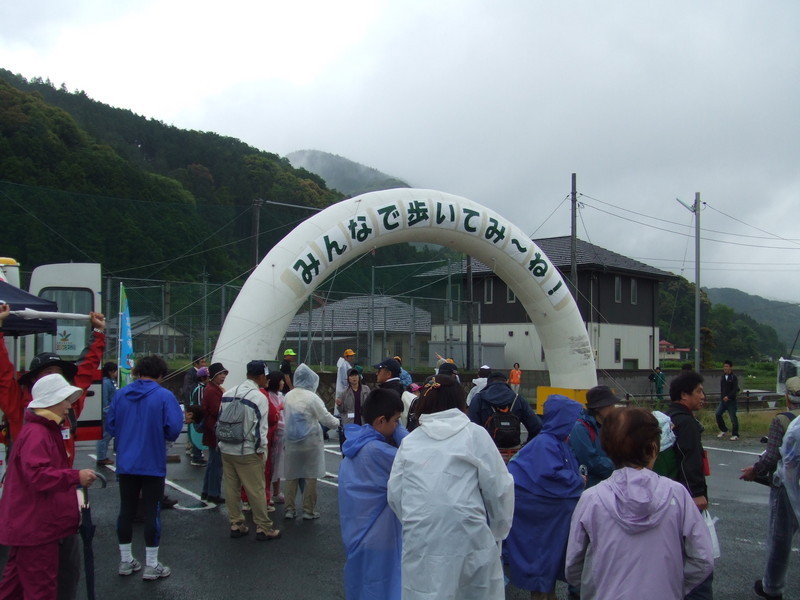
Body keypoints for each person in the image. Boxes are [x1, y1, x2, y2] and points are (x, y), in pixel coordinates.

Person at [565, 407, 715, 600]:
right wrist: (674, 586)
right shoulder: (677, 494)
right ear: (654, 448)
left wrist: (596, 589)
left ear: (607, 448)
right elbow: (703, 557)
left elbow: (573, 565)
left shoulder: (592, 498)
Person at [387, 374, 514, 600]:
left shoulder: (411, 441)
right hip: (469, 535)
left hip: (422, 537)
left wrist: (415, 520)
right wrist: (498, 530)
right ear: (461, 402)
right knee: (474, 591)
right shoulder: (474, 435)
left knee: (424, 592)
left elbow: (395, 493)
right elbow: (500, 488)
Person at [0, 374, 98, 600]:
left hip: (27, 525)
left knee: (13, 588)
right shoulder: (39, 433)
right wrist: (76, 476)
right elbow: (39, 476)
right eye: (65, 400)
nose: (68, 406)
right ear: (52, 402)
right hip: (37, 527)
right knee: (40, 589)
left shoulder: (38, 429)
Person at [106, 355, 183, 580]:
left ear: (138, 371)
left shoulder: (120, 394)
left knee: (126, 511)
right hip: (152, 462)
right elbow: (174, 428)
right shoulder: (164, 395)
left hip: (126, 463)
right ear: (161, 374)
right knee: (152, 512)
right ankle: (151, 564)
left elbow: (110, 424)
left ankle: (125, 560)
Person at [0, 303, 106, 463]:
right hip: (26, 485)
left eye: (59, 372)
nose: (55, 376)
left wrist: (98, 331)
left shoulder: (70, 406)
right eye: (48, 372)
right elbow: (3, 373)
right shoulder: (18, 404)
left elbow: (86, 369)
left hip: (61, 483)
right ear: (34, 379)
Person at [504, 394, 585, 600]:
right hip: (541, 521)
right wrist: (579, 481)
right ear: (562, 419)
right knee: (543, 564)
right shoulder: (547, 443)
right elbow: (550, 476)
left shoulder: (552, 441)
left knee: (545, 566)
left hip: (546, 519)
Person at [338, 388, 407, 600]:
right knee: (382, 585)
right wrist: (403, 436)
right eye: (395, 421)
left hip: (356, 530)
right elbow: (416, 459)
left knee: (361, 584)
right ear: (380, 421)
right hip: (378, 535)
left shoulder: (357, 442)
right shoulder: (378, 451)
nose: (397, 426)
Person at [741, 376, 800, 600]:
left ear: (787, 396)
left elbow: (773, 456)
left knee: (780, 538)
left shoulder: (781, 420)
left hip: (786, 486)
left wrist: (754, 471)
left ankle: (772, 587)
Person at [218, 360, 281, 540]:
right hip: (247, 450)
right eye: (266, 377)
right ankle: (264, 527)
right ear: (261, 376)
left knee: (232, 488)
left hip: (227, 447)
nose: (266, 380)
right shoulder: (258, 397)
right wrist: (261, 451)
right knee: (257, 489)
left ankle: (236, 523)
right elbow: (260, 428)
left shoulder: (228, 393)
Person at [666, 370, 714, 599]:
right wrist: (697, 493)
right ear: (684, 395)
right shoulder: (686, 423)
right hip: (686, 498)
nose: (703, 396)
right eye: (698, 391)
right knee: (698, 556)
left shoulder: (667, 418)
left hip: (668, 496)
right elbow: (689, 459)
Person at [283, 363, 340, 520]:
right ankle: (309, 510)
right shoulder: (312, 397)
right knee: (310, 477)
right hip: (310, 443)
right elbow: (326, 418)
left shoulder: (288, 395)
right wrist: (338, 423)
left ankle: (289, 509)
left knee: (291, 476)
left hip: (291, 443)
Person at [467, 371, 542, 447]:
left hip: (487, 450)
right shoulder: (517, 399)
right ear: (507, 382)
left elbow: (471, 429)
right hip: (513, 450)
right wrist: (526, 447)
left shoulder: (479, 399)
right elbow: (537, 426)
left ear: (487, 384)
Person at [568, 385, 617, 488]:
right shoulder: (580, 428)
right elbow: (591, 462)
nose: (613, 409)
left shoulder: (610, 425)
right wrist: (617, 466)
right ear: (598, 408)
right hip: (591, 488)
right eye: (610, 405)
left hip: (609, 486)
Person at [199, 362, 228, 503]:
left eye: (224, 374)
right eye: (220, 374)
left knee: (212, 463)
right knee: (216, 463)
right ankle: (213, 493)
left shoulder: (211, 388)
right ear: (214, 375)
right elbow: (217, 410)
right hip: (214, 429)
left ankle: (207, 491)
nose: (223, 377)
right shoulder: (213, 390)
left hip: (211, 429)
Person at [95, 361, 118, 466]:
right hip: (107, 413)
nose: (116, 373)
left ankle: (102, 456)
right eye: (115, 371)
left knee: (106, 435)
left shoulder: (108, 382)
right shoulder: (106, 383)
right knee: (105, 435)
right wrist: (108, 413)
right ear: (111, 371)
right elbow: (105, 401)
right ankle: (101, 457)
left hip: (109, 412)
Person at [187, 366, 209, 466]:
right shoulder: (200, 389)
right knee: (198, 435)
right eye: (208, 377)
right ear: (202, 378)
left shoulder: (197, 387)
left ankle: (196, 454)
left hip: (195, 415)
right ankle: (196, 456)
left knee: (197, 435)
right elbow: (200, 404)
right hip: (198, 416)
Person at [716, 359, 740, 440]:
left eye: (727, 366)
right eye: (724, 366)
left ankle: (735, 434)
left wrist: (728, 396)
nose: (725, 368)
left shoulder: (734, 377)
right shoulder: (723, 376)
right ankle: (724, 430)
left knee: (733, 418)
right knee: (718, 414)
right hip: (723, 401)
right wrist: (723, 397)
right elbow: (722, 389)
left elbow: (735, 389)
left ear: (730, 367)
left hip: (731, 401)